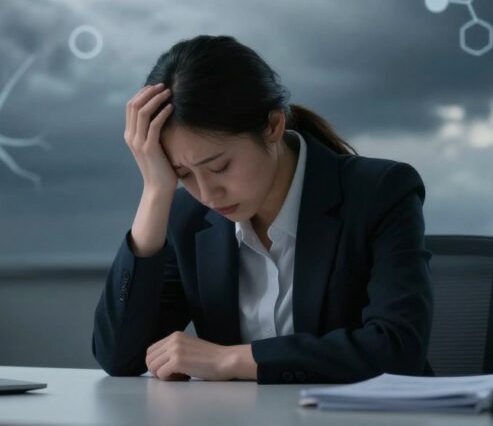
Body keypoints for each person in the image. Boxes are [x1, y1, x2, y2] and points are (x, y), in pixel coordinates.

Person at [92, 35, 433, 384]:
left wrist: (233, 360)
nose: (207, 193)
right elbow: (120, 356)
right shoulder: (188, 217)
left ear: (272, 126)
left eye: (220, 166)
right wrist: (155, 191)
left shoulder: (380, 192)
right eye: (183, 174)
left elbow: (397, 349)